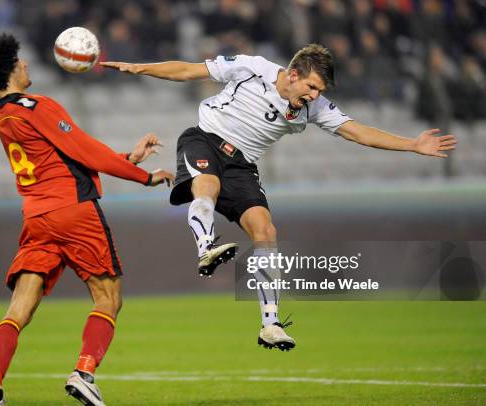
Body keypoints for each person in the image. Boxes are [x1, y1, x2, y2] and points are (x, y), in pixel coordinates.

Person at [101, 43, 457, 351]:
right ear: (292, 74)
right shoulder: (252, 68)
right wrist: (139, 67)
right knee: (205, 187)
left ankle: (270, 324)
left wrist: (412, 144)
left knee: (265, 231)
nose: (315, 96)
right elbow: (190, 71)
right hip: (204, 138)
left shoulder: (314, 107)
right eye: (312, 86)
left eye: (320, 90)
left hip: (243, 166)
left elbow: (358, 132)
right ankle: (205, 247)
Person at [0, 33, 174, 406]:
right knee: (108, 297)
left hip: (36, 218)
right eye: (20, 60)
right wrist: (144, 176)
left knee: (19, 309)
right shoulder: (34, 105)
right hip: (73, 212)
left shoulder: (4, 117)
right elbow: (83, 149)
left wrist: (128, 157)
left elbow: (64, 157)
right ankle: (84, 373)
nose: (26, 64)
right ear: (8, 68)